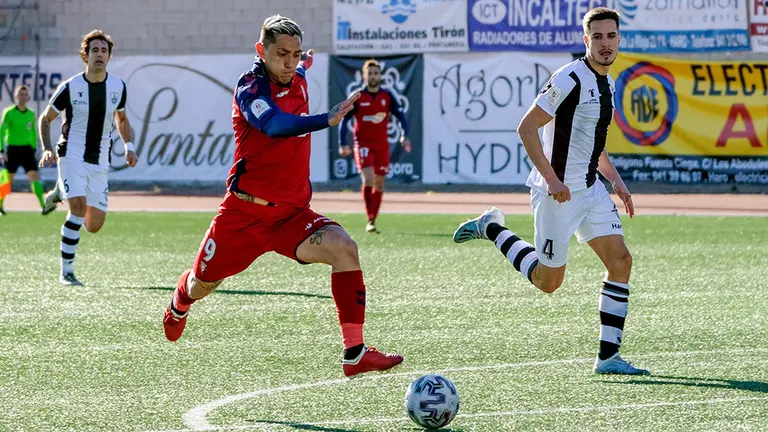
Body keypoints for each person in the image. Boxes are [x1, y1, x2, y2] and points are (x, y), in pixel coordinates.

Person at [162, 15, 404, 379]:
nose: (289, 63)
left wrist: (307, 60)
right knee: (203, 284)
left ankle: (354, 352)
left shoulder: (298, 73)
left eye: (294, 55)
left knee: (344, 247)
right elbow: (274, 125)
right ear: (261, 51)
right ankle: (180, 301)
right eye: (280, 54)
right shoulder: (249, 89)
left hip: (290, 216)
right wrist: (326, 118)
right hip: (244, 215)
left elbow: (302, 65)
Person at [453, 7, 649, 376]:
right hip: (555, 195)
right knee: (548, 282)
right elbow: (526, 128)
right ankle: (491, 227)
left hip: (590, 191)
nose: (605, 44)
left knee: (620, 262)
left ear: (619, 39)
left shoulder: (608, 83)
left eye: (611, 36)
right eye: (598, 37)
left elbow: (592, 143)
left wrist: (616, 182)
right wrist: (553, 180)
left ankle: (608, 358)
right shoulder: (570, 77)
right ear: (585, 39)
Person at [38, 30, 139, 286]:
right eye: (94, 50)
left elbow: (122, 119)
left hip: (99, 160)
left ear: (109, 56)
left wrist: (129, 145)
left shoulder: (118, 86)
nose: (99, 54)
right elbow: (45, 119)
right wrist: (47, 148)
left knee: (94, 225)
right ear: (85, 55)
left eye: (104, 50)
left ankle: (60, 190)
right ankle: (67, 272)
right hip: (70, 154)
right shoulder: (70, 87)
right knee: (78, 212)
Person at [337, 59, 411, 233]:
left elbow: (400, 116)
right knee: (368, 177)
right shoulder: (358, 96)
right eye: (370, 73)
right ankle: (369, 219)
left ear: (380, 76)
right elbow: (344, 119)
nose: (373, 76)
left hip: (382, 146)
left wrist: (404, 135)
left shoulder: (387, 96)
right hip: (362, 144)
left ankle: (373, 219)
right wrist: (342, 143)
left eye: (376, 73)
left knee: (379, 182)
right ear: (364, 76)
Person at [0, 85, 47, 215]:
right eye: (20, 94)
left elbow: (33, 132)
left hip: (27, 150)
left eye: (25, 94)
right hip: (12, 150)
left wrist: (33, 147)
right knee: (7, 180)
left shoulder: (31, 113)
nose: (23, 97)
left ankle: (43, 206)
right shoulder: (9, 112)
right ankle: (0, 205)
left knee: (34, 176)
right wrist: (1, 149)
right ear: (16, 96)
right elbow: (2, 131)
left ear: (28, 97)